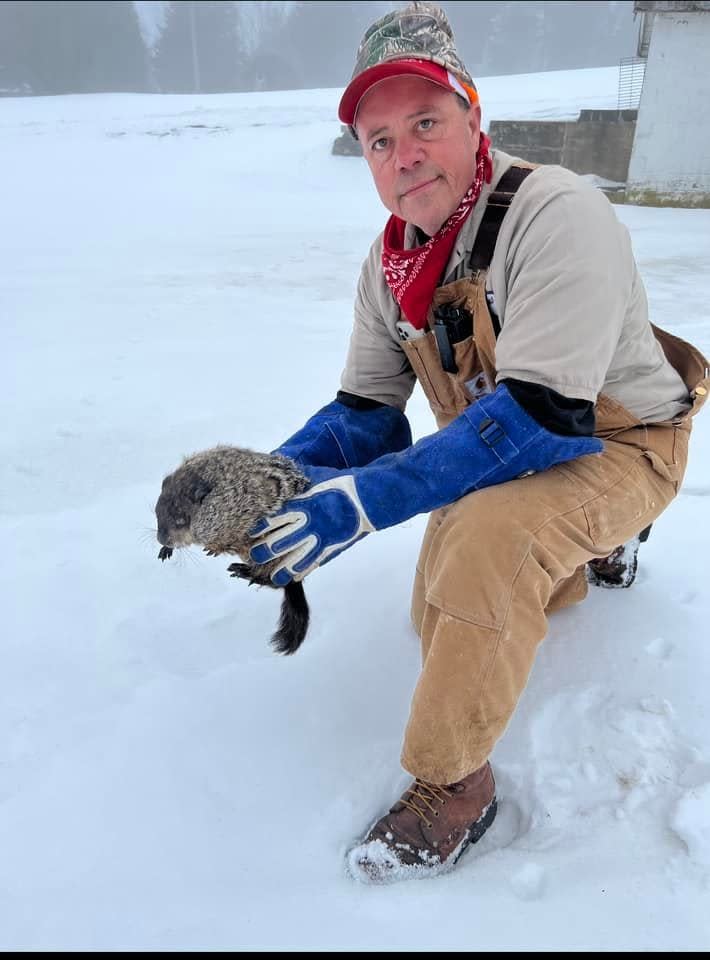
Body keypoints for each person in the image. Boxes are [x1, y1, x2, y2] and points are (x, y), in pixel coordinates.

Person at [248, 1, 709, 883]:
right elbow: (369, 413)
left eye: (425, 121)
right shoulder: (391, 265)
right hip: (504, 442)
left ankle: (455, 785)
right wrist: (275, 479)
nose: (403, 154)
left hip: (621, 442)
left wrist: (368, 500)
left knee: (488, 543)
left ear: (473, 119)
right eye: (379, 140)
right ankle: (589, 553)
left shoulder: (554, 213)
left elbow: (544, 417)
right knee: (444, 595)